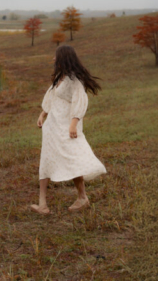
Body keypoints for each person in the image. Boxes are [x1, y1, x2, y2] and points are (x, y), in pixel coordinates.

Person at [31, 45, 107, 214]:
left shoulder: (74, 81)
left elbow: (80, 101)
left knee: (71, 158)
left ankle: (82, 197)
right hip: (52, 127)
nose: (53, 59)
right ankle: (42, 204)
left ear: (63, 58)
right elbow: (52, 97)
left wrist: (73, 123)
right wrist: (42, 114)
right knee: (46, 160)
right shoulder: (60, 78)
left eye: (55, 56)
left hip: (65, 127)